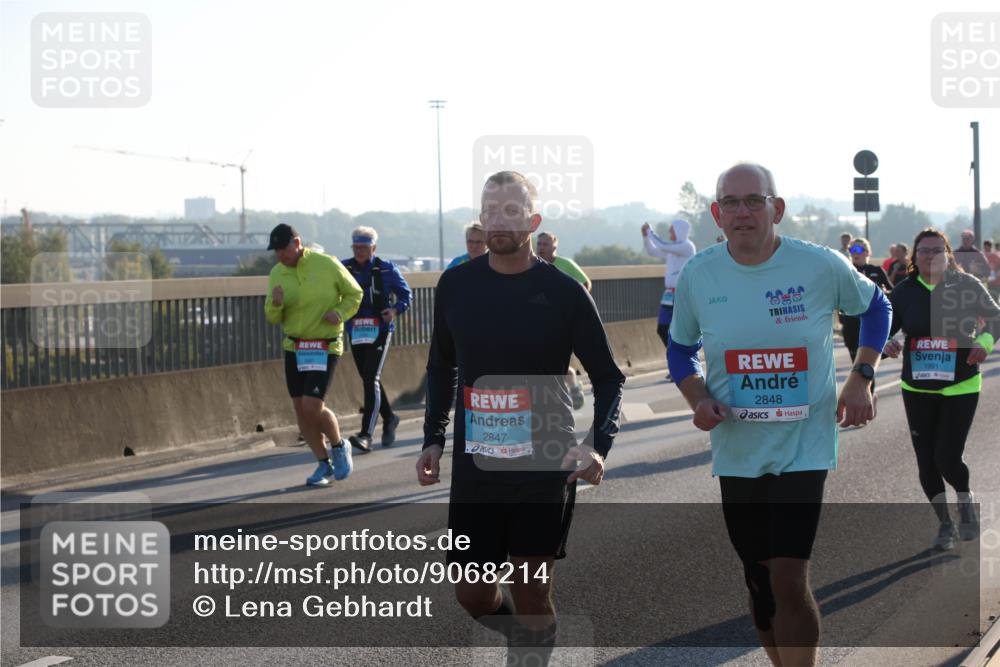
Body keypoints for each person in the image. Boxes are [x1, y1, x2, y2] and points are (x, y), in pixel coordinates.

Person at [667, 163, 890, 667]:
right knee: (760, 581)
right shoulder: (699, 273)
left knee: (789, 579)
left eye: (755, 200)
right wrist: (697, 397)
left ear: (777, 208)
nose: (743, 212)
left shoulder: (819, 264)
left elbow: (877, 307)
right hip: (738, 448)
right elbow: (680, 349)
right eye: (731, 202)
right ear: (716, 214)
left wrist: (862, 376)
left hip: (803, 446)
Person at [416, 171, 625, 666]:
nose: (498, 220)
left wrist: (597, 444)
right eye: (490, 210)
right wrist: (433, 438)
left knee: (531, 588)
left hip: (543, 462)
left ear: (533, 221)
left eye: (511, 211)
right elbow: (442, 365)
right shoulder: (456, 285)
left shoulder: (564, 292)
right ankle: (527, 640)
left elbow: (609, 377)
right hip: (477, 466)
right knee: (472, 594)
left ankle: (530, 652)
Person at [883, 228, 1000, 551]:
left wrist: (984, 341)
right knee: (926, 461)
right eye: (924, 250)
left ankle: (964, 498)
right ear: (915, 256)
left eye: (937, 250)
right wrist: (887, 342)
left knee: (947, 456)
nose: (930, 256)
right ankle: (945, 524)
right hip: (917, 387)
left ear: (948, 255)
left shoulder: (966, 285)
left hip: (961, 384)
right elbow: (884, 327)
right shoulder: (904, 292)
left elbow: (996, 318)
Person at [264, 223, 363, 486]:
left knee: (312, 406)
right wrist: (276, 304)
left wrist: (339, 313)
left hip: (324, 345)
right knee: (300, 409)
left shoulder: (326, 264)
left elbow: (355, 294)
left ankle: (339, 445)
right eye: (276, 251)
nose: (280, 255)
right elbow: (271, 316)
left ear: (297, 243)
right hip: (295, 347)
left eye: (284, 249)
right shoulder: (277, 273)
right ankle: (322, 462)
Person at [342, 226, 413, 451]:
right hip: (356, 330)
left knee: (371, 377)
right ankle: (390, 418)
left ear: (374, 248)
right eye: (356, 247)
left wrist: (395, 310)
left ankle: (366, 434)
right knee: (368, 378)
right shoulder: (344, 269)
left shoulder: (387, 269)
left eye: (364, 247)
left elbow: (406, 295)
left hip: (380, 330)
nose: (359, 251)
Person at [536, 230, 592, 409]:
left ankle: (571, 387)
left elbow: (585, 283)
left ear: (554, 246)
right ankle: (568, 389)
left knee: (556, 360)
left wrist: (573, 306)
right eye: (539, 244)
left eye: (545, 244)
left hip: (562, 322)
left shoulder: (565, 264)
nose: (541, 247)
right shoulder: (532, 265)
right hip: (540, 322)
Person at [641, 218, 696, 382]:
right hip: (669, 294)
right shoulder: (672, 249)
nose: (669, 232)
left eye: (672, 229)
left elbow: (662, 245)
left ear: (679, 230)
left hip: (682, 294)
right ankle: (675, 362)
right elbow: (652, 251)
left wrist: (650, 231)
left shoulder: (686, 246)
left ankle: (682, 366)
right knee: (662, 329)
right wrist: (645, 237)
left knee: (680, 331)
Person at [841, 238, 893, 365]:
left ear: (867, 252)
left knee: (868, 366)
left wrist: (885, 293)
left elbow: (892, 292)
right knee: (858, 365)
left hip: (874, 322)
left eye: (858, 249)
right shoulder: (846, 271)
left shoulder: (877, 270)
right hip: (852, 324)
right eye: (851, 249)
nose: (854, 252)